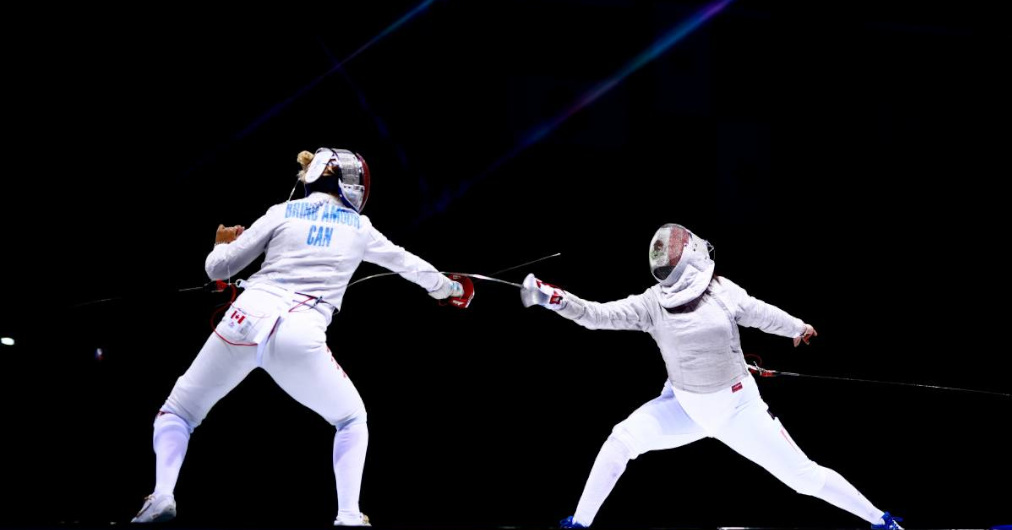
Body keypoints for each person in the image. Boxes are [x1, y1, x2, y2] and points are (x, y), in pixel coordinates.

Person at [131, 148, 470, 526]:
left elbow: (218, 269)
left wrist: (221, 244)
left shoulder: (280, 212)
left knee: (178, 411)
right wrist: (450, 290)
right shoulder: (360, 228)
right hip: (299, 333)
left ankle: (161, 496)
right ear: (348, 184)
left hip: (244, 319)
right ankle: (349, 516)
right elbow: (410, 265)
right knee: (351, 419)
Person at [519, 223, 903, 530]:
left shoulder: (720, 291)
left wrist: (796, 327)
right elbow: (597, 316)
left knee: (802, 477)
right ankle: (579, 525)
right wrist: (556, 299)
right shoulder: (653, 303)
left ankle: (881, 521)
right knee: (621, 440)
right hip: (684, 406)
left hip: (738, 409)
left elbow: (759, 312)